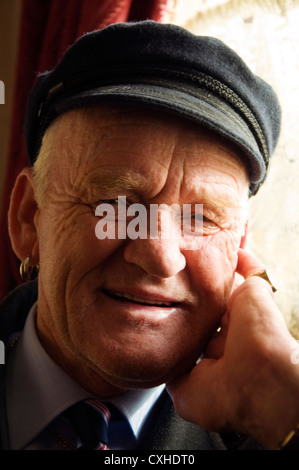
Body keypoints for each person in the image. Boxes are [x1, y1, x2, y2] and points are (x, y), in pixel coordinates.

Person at [0, 20, 298, 451]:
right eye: (119, 203)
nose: (160, 256)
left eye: (201, 217)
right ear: (30, 220)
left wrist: (281, 400)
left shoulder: (274, 426)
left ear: (239, 249)